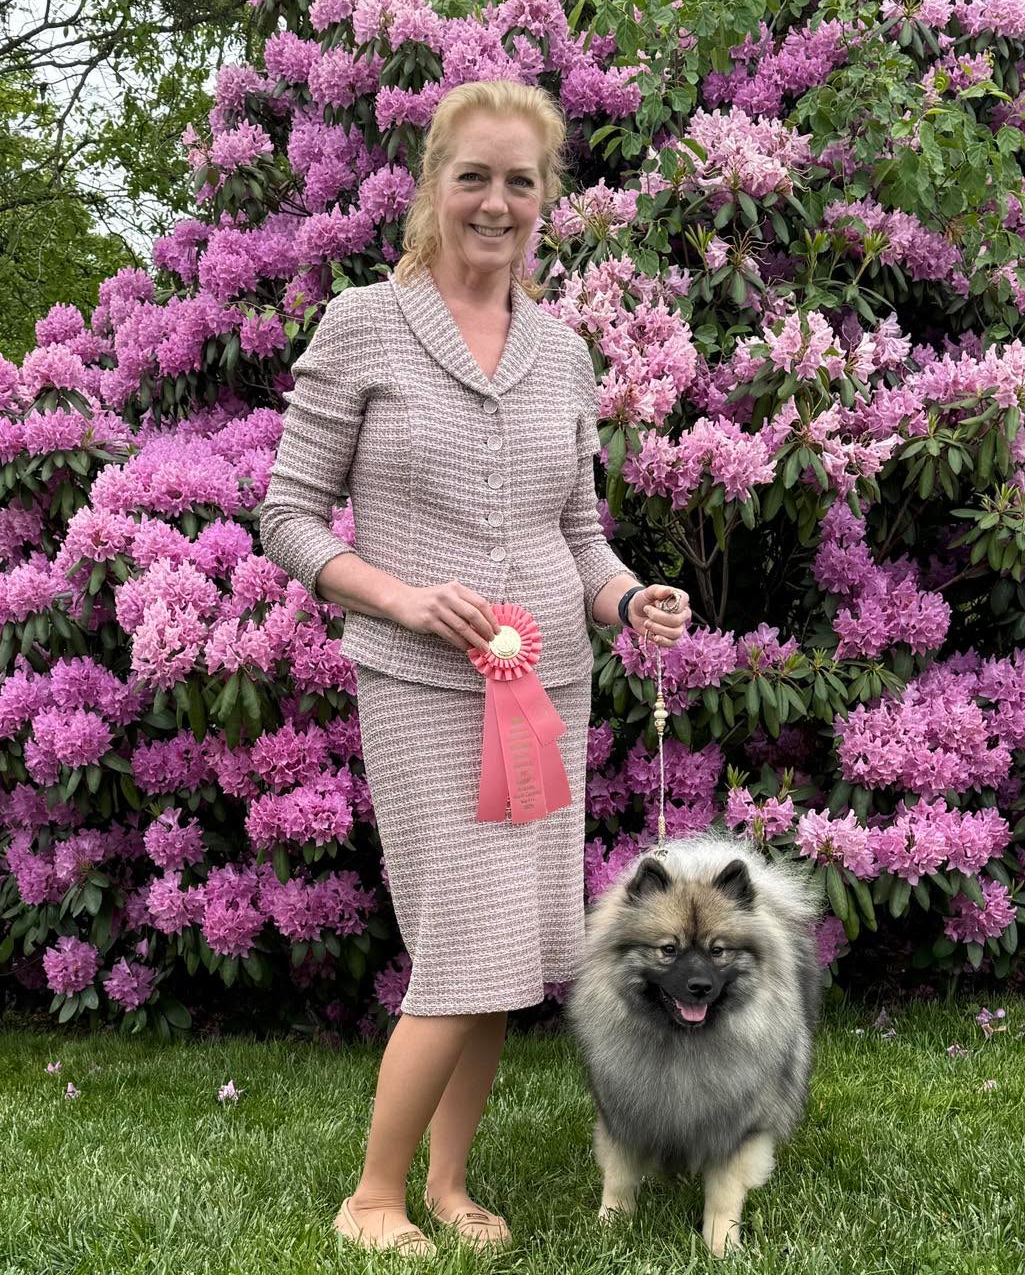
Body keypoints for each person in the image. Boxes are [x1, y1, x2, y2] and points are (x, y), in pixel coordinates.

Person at [259, 78, 691, 1258]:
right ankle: (374, 1193)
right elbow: (289, 515)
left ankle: (449, 1183)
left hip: (547, 688)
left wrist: (622, 598)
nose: (495, 202)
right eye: (474, 176)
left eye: (520, 181)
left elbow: (578, 527)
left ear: (546, 199)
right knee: (458, 943)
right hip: (419, 688)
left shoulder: (563, 352)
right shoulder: (363, 323)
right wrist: (402, 596)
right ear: (431, 185)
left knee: (505, 953)